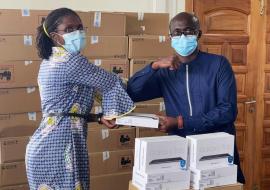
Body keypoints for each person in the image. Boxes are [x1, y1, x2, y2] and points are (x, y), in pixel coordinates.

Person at [127, 12, 245, 184]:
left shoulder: (218, 64)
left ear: (198, 34)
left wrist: (181, 122)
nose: (182, 36)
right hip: (179, 150)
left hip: (216, 149)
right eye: (177, 32)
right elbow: (132, 92)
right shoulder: (165, 72)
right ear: (170, 37)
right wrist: (154, 66)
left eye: (188, 31)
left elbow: (227, 111)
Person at [25, 8, 135, 190]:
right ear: (55, 37)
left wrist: (99, 117)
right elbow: (111, 83)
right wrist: (153, 69)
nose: (77, 33)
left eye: (79, 27)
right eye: (69, 29)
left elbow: (67, 109)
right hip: (61, 149)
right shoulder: (71, 62)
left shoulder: (49, 61)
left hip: (43, 148)